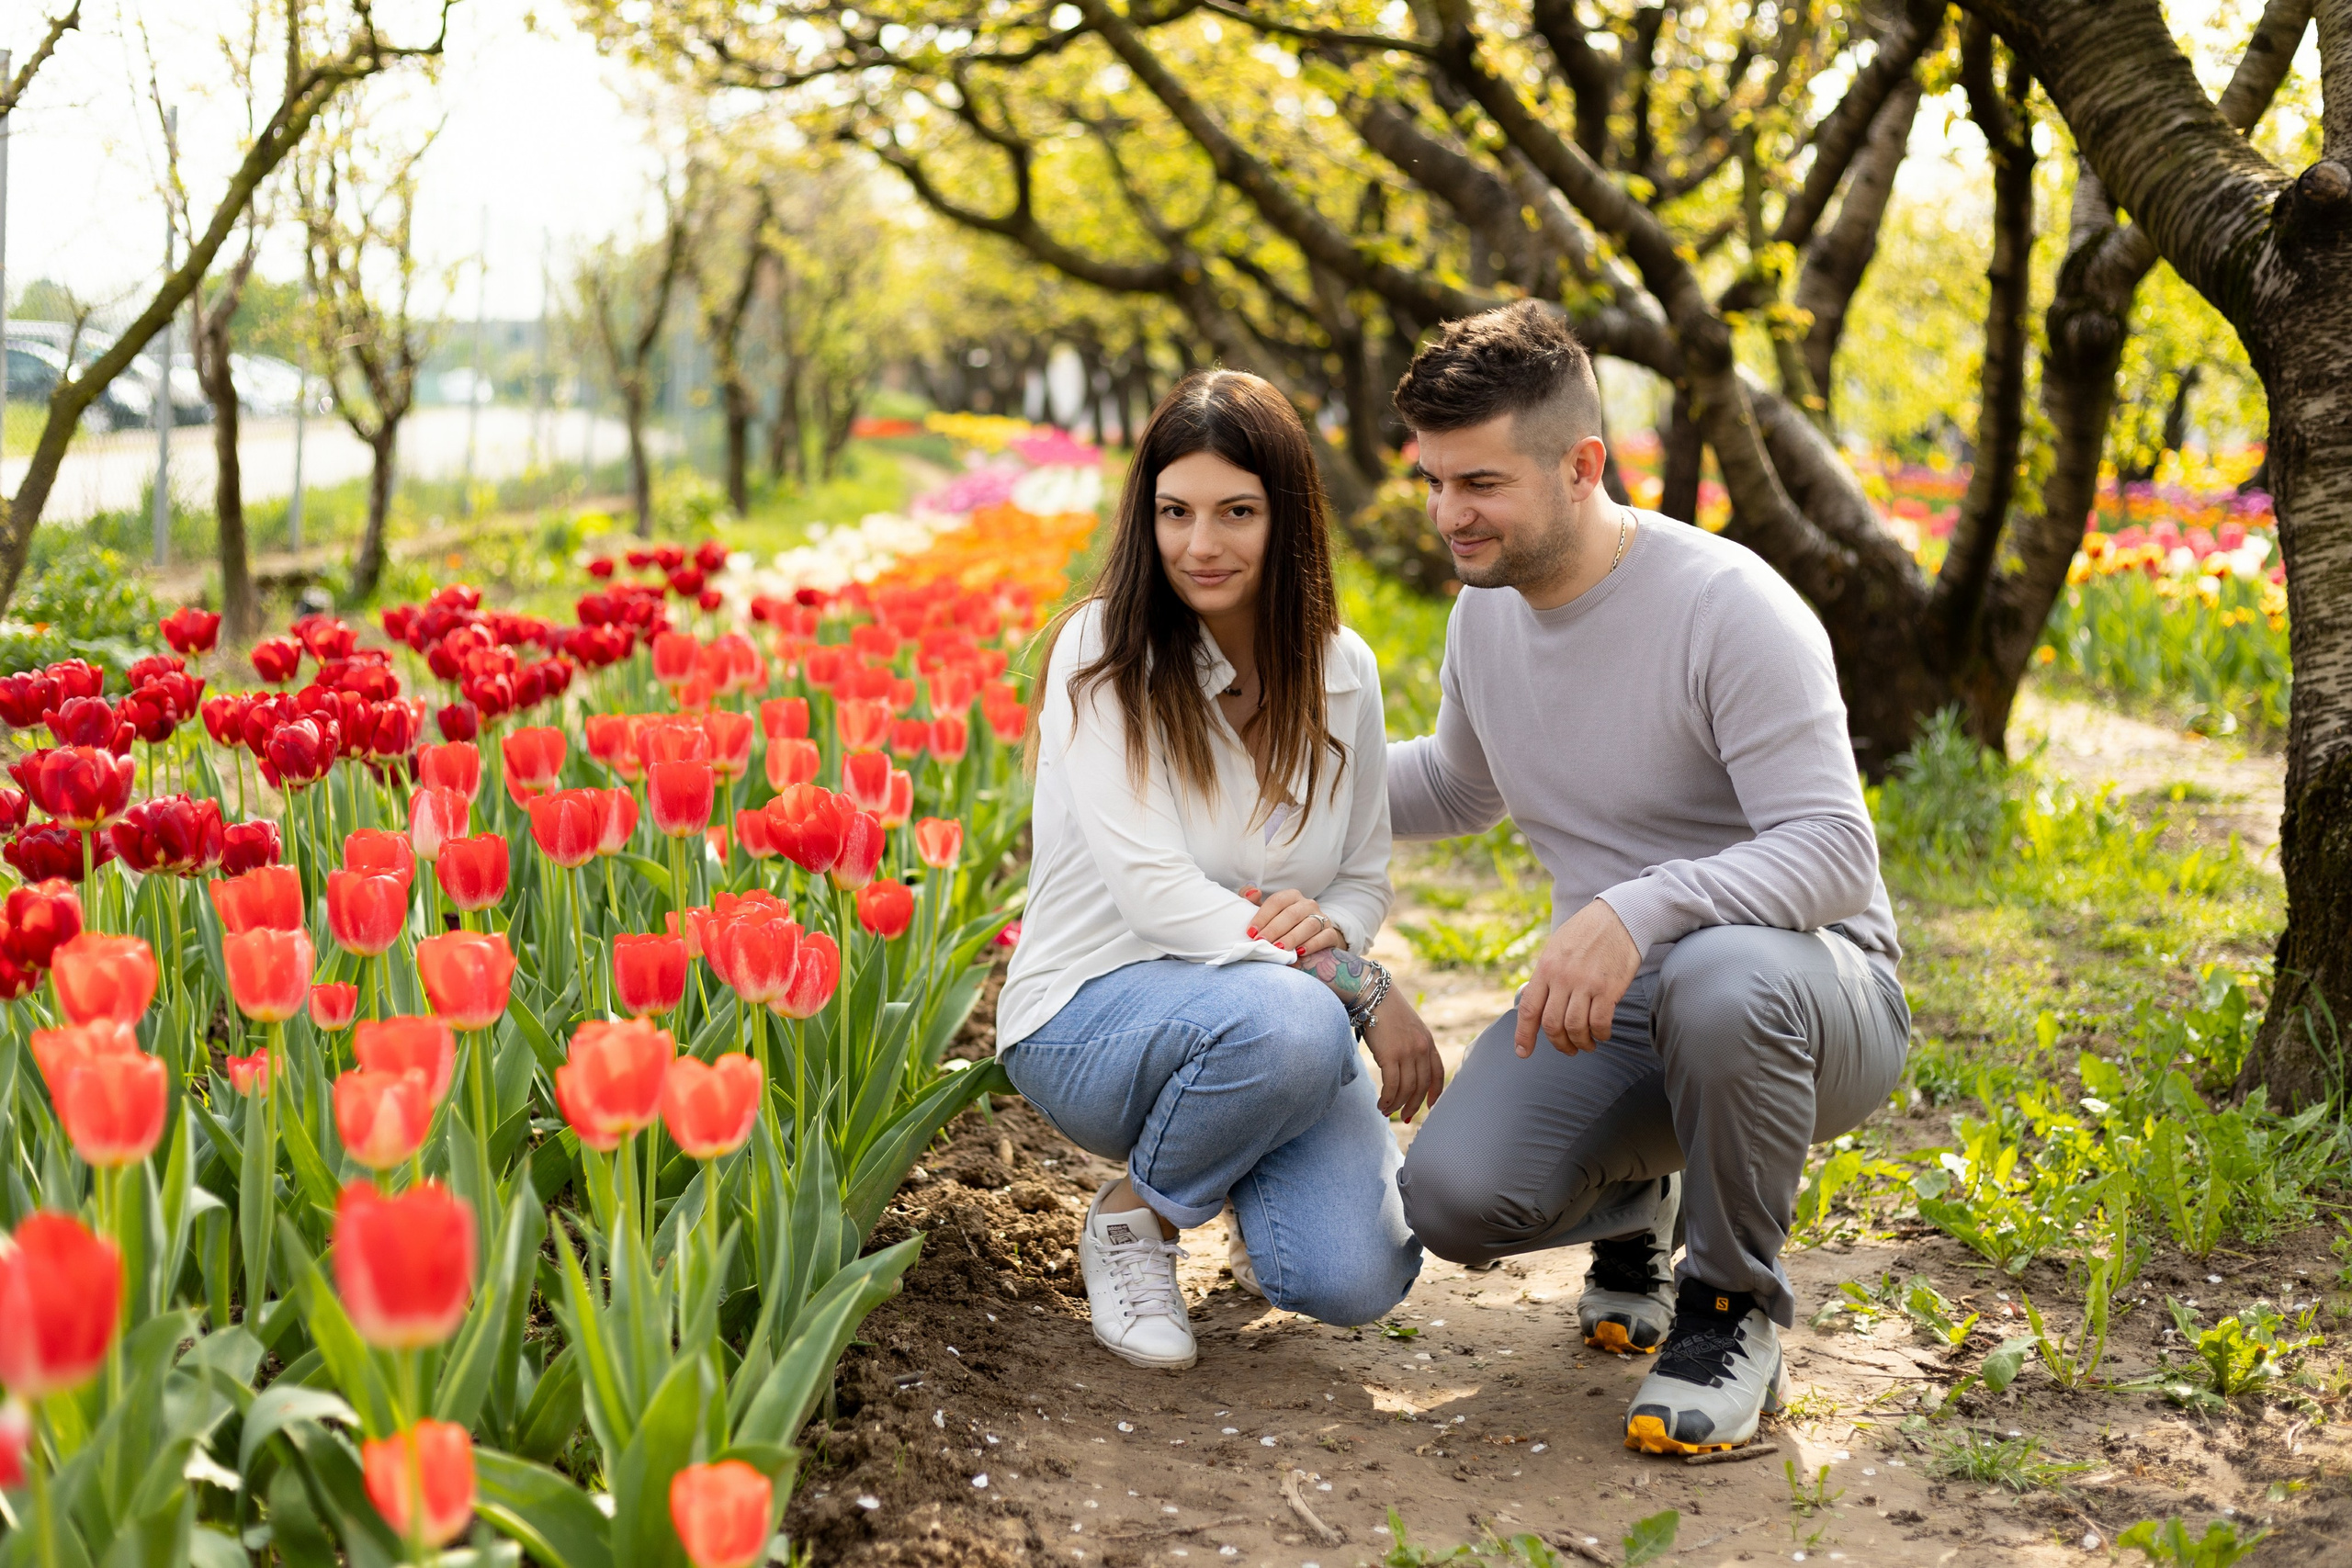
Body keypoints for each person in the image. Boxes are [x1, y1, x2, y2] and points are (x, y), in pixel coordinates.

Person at [1385, 302, 1909, 1454]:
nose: (1448, 513)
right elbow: (1460, 787)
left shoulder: (1726, 607)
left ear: (1581, 467)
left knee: (1720, 980)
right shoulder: (1486, 614)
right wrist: (1274, 784)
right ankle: (1640, 1198)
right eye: (1435, 481)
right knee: (1453, 1200)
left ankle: (1728, 1310)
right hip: (1619, 1012)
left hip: (1814, 999)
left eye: (1479, 484)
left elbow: (1833, 851)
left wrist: (1637, 906)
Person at [999, 369, 1446, 1371]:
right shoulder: (1103, 653)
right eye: (1176, 512)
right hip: (1094, 1013)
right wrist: (1353, 982)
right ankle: (1135, 1220)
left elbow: (1362, 877)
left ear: (1287, 518)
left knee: (1355, 1277)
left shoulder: (1344, 670)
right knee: (1296, 1021)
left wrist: (1330, 930)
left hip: (1267, 1022)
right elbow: (1154, 895)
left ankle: (1238, 1149)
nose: (1200, 544)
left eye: (1236, 512)